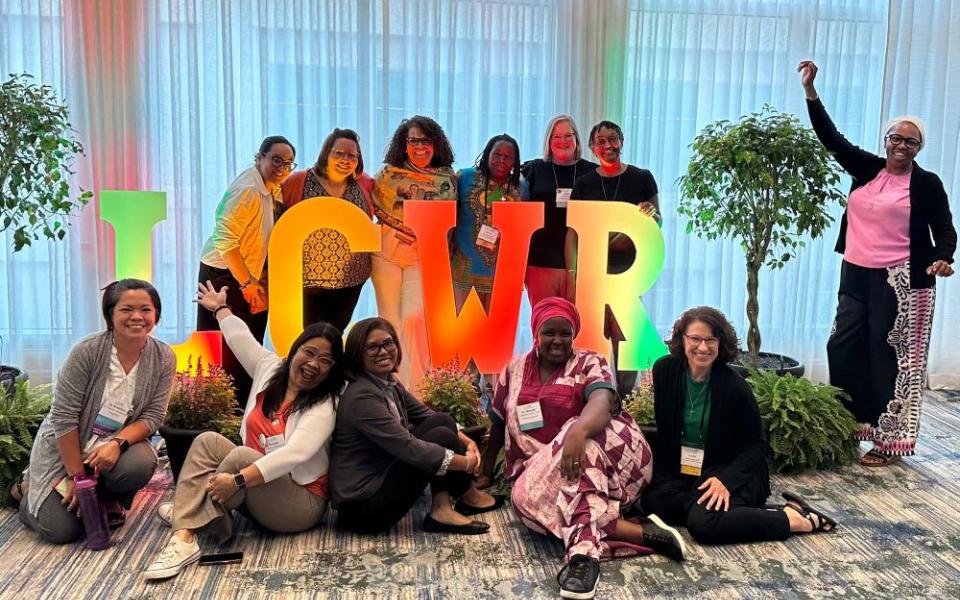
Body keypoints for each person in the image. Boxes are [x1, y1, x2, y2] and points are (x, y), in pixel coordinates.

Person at [799, 60, 956, 465]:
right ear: (886, 140)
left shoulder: (926, 183)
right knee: (843, 345)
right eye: (896, 139)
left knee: (889, 356)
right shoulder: (867, 169)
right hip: (855, 271)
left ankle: (890, 441)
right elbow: (831, 140)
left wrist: (943, 258)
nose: (902, 147)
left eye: (911, 142)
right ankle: (854, 425)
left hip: (901, 279)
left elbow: (945, 228)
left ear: (919, 148)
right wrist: (811, 92)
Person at [478, 297, 681, 600]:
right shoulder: (515, 370)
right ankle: (639, 532)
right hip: (546, 471)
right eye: (550, 332)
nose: (557, 340)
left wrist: (578, 431)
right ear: (536, 333)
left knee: (579, 446)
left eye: (565, 333)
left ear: (574, 335)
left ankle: (582, 559)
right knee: (524, 501)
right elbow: (498, 421)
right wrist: (484, 471)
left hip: (612, 456)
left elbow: (602, 401)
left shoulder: (590, 362)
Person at [143, 280, 345, 580]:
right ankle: (185, 534)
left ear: (332, 369)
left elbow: (295, 453)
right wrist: (221, 308)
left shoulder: (324, 403)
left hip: (299, 503)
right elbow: (241, 338)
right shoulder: (269, 369)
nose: (314, 363)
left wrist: (236, 480)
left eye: (326, 360)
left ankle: (193, 513)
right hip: (258, 486)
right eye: (310, 352)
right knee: (208, 440)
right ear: (295, 349)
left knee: (240, 457)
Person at [641, 306, 836, 553]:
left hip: (731, 470)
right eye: (695, 339)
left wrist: (726, 480)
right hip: (687, 472)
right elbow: (666, 429)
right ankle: (723, 510)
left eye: (711, 340)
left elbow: (757, 445)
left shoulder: (734, 385)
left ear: (721, 343)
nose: (703, 347)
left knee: (703, 526)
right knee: (651, 503)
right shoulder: (665, 370)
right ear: (682, 339)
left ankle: (794, 518)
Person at [11, 279, 175, 544]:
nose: (137, 317)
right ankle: (25, 492)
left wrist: (118, 443)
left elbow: (154, 416)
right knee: (62, 531)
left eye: (145, 309)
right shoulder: (87, 352)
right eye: (126, 309)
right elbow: (64, 418)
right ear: (110, 314)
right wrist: (78, 477)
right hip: (67, 448)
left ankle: (104, 498)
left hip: (109, 447)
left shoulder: (163, 357)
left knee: (140, 463)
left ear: (156, 314)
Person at [329, 317, 500, 536]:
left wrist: (468, 443)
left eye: (388, 343)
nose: (383, 351)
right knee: (438, 437)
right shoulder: (361, 397)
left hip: (382, 473)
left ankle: (448, 504)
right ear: (356, 353)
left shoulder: (386, 381)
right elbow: (408, 447)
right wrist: (466, 463)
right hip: (363, 508)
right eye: (372, 347)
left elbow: (427, 414)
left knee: (443, 422)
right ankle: (458, 500)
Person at [198, 135, 297, 406]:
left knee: (248, 346)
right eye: (276, 160)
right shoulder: (249, 189)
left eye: (288, 163)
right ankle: (219, 413)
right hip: (224, 274)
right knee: (227, 349)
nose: (282, 167)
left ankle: (241, 412)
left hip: (248, 274)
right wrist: (247, 285)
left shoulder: (271, 187)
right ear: (259, 157)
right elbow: (225, 240)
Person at [571, 120, 662, 395]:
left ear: (621, 140)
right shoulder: (584, 183)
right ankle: (594, 394)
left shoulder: (642, 177)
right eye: (601, 142)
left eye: (613, 139)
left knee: (625, 337)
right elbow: (573, 232)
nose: (608, 146)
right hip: (593, 271)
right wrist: (573, 273)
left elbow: (658, 220)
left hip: (629, 273)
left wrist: (650, 215)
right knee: (595, 337)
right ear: (591, 148)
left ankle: (623, 398)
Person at [370, 116, 457, 390]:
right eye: (413, 140)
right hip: (386, 252)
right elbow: (377, 210)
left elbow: (449, 220)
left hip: (423, 255)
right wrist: (402, 227)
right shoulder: (387, 175)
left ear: (436, 143)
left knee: (415, 318)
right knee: (389, 320)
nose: (420, 146)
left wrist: (420, 233)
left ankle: (417, 390)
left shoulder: (447, 179)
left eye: (426, 140)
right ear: (404, 144)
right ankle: (391, 385)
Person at [281, 129, 375, 332]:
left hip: (352, 278)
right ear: (327, 153)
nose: (345, 159)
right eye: (339, 153)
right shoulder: (298, 181)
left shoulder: (365, 183)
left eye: (352, 155)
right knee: (310, 336)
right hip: (308, 281)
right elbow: (278, 221)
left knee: (335, 334)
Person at [521, 115, 595, 305]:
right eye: (556, 136)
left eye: (568, 136)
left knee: (580, 327)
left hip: (582, 264)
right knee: (545, 326)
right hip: (541, 262)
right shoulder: (534, 168)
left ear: (576, 140)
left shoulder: (592, 172)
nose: (563, 141)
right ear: (548, 140)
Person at [451, 133, 528, 310]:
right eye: (497, 155)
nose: (501, 160)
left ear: (515, 162)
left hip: (503, 274)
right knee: (463, 331)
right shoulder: (465, 178)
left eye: (508, 157)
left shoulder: (521, 187)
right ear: (487, 155)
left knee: (498, 334)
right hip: (464, 271)